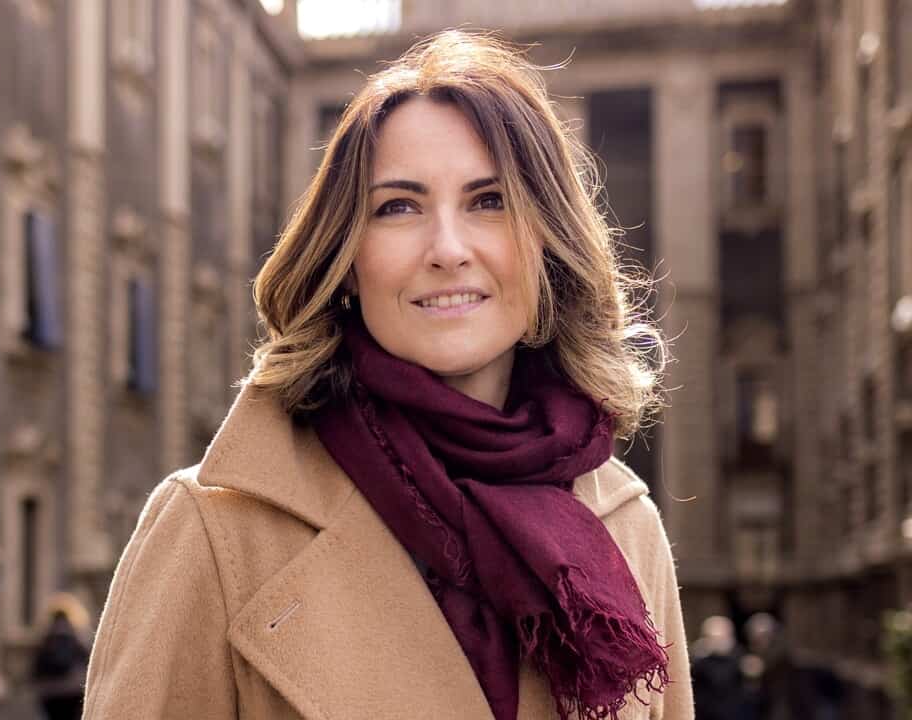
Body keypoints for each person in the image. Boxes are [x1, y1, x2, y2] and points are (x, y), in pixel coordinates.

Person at [83, 29, 694, 720]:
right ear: (347, 259)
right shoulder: (216, 533)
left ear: (547, 243)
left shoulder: (625, 528)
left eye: (489, 201)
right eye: (398, 207)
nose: (448, 249)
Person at [31, 592, 91, 720]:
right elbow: (85, 661)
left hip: (50, 692)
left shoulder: (46, 638)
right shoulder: (76, 636)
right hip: (72, 690)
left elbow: (37, 666)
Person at [691, 615, 751, 720]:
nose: (717, 642)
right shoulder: (699, 660)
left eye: (720, 638)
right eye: (712, 638)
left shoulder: (740, 658)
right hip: (706, 714)